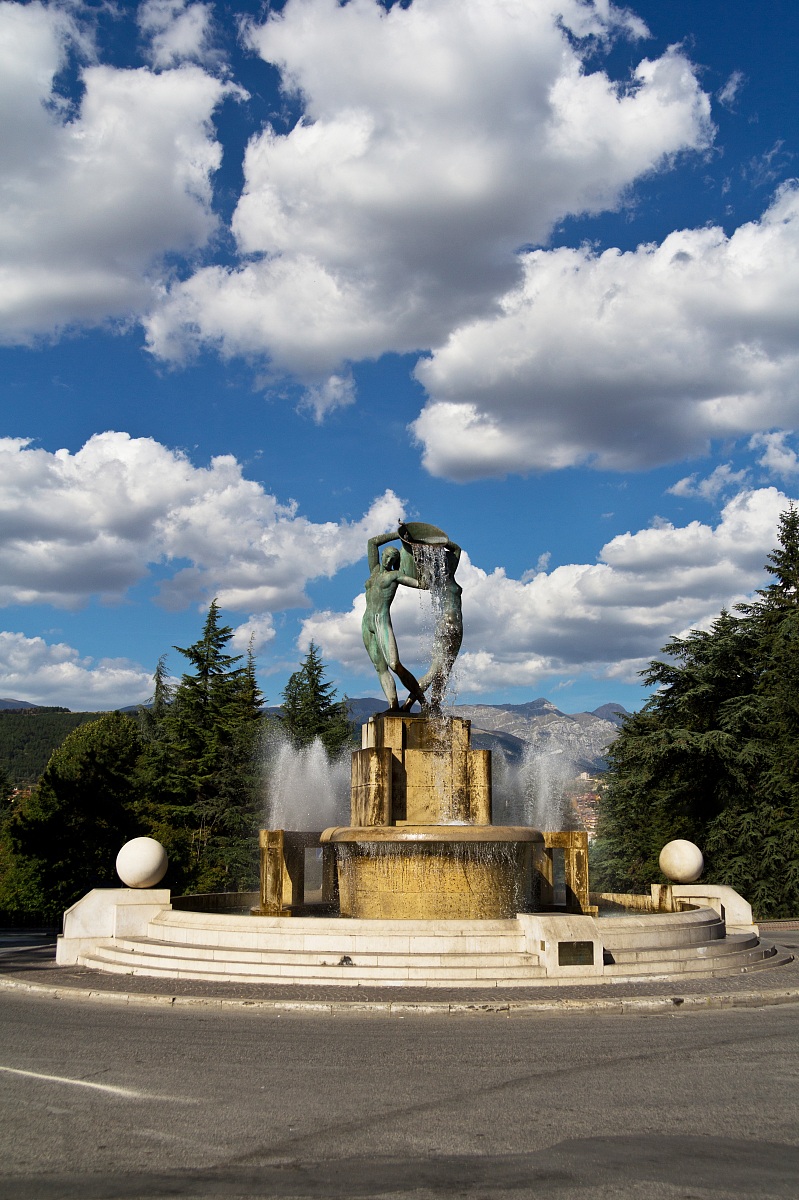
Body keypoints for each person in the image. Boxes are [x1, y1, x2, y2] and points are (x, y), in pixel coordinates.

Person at [362, 531, 427, 711]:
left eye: (393, 558)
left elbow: (420, 584)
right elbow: (372, 542)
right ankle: (393, 706)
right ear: (382, 556)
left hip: (381, 620)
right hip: (366, 622)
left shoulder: (395, 575)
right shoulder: (374, 571)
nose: (389, 560)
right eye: (387, 556)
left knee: (394, 664)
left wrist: (426, 571)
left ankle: (422, 700)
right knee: (380, 667)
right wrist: (398, 535)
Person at [415, 537, 463, 711]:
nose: (449, 563)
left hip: (458, 628)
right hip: (446, 626)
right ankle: (411, 702)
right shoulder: (438, 579)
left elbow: (457, 549)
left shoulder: (452, 578)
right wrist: (426, 544)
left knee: (446, 669)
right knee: (435, 669)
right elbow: (420, 569)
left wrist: (440, 541)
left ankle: (435, 704)